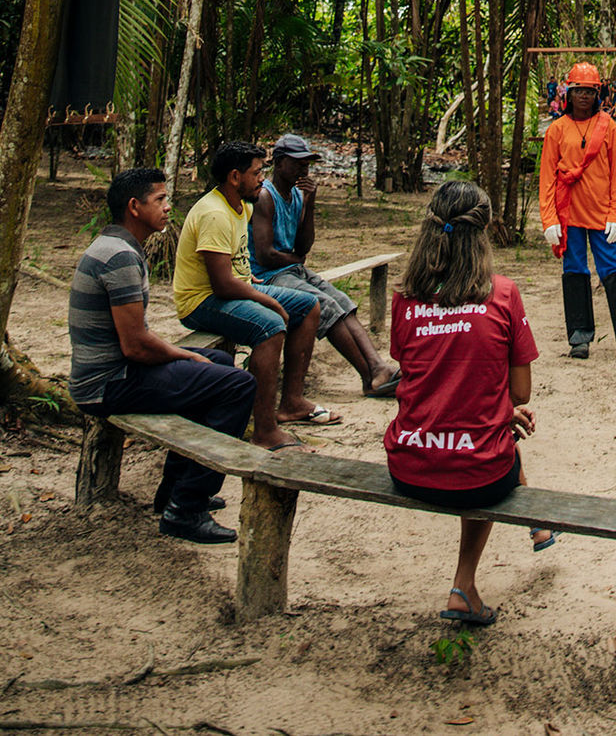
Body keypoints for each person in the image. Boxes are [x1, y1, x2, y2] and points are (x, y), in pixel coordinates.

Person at [385, 181, 552, 626]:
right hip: (478, 473)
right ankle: (464, 584)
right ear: (483, 233)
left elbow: (416, 372)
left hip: (409, 464)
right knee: (496, 448)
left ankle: (533, 527)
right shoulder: (503, 294)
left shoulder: (404, 298)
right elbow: (521, 393)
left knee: (493, 434)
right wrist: (502, 410)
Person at [70, 169, 256, 544]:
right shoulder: (119, 257)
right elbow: (136, 346)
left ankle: (173, 489)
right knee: (238, 386)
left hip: (117, 370)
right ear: (134, 207)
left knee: (220, 364)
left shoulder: (116, 246)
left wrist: (188, 358)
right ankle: (186, 509)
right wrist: (186, 358)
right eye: (160, 199)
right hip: (108, 383)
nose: (168, 207)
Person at [174, 141, 340, 451]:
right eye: (256, 173)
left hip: (233, 288)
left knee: (309, 305)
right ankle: (264, 430)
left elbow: (235, 263)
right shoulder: (214, 214)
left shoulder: (243, 205)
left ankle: (292, 401)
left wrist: (247, 277)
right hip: (201, 301)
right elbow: (222, 285)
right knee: (271, 326)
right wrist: (269, 300)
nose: (262, 179)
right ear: (234, 177)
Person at [249, 133, 401, 396]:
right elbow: (265, 255)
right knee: (324, 305)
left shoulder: (297, 195)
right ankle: (368, 376)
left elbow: (303, 246)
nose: (304, 169)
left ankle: (377, 366)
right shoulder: (265, 196)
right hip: (269, 276)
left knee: (341, 301)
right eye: (298, 163)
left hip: (291, 269)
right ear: (280, 163)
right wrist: (296, 260)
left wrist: (310, 203)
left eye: (307, 164)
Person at [539, 61, 616, 361]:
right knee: (574, 271)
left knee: (613, 271)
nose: (584, 96)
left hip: (602, 216)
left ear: (597, 94)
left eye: (590, 91)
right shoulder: (556, 130)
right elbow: (547, 178)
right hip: (569, 215)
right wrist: (549, 219)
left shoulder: (608, 126)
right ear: (569, 93)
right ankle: (579, 338)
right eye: (579, 90)